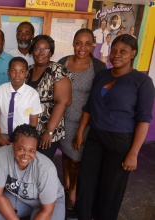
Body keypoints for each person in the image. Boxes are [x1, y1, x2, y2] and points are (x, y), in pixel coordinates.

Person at [75, 34, 154, 220]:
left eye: (123, 51)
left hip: (120, 142)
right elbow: (88, 107)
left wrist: (134, 153)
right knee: (87, 182)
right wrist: (80, 132)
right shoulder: (102, 75)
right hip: (94, 137)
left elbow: (144, 120)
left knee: (111, 188)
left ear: (133, 53)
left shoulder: (142, 82)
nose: (117, 55)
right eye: (114, 51)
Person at [58, 28, 107, 210]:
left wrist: (81, 130)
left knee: (76, 159)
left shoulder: (99, 68)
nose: (82, 47)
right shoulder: (63, 62)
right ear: (73, 43)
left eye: (87, 43)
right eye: (79, 42)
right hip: (63, 120)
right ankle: (66, 184)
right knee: (65, 155)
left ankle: (73, 191)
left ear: (93, 44)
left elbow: (98, 98)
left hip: (84, 123)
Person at [0, 124, 65, 220]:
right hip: (19, 198)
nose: (26, 155)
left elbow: (47, 211)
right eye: (21, 149)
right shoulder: (2, 155)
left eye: (31, 151)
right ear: (13, 145)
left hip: (50, 203)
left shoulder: (46, 168)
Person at [26, 35, 72, 159]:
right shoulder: (28, 70)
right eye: (37, 49)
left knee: (42, 165)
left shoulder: (58, 70)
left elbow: (62, 102)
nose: (41, 53)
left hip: (47, 130)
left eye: (45, 49)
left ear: (51, 52)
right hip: (30, 128)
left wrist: (49, 131)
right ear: (32, 51)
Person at [0, 57, 42, 148]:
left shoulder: (32, 94)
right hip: (3, 136)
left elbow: (33, 121)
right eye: (13, 71)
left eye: (21, 71)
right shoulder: (1, 89)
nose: (17, 75)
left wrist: (27, 139)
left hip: (23, 137)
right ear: (8, 72)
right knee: (2, 159)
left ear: (26, 73)